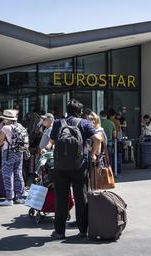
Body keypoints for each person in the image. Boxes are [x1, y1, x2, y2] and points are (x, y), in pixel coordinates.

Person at [44, 99, 101, 239]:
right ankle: (82, 230)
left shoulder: (58, 123)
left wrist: (46, 149)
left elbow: (51, 143)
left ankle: (59, 232)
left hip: (60, 166)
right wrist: (92, 155)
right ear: (80, 112)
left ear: (67, 110)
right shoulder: (84, 123)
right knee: (81, 198)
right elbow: (97, 139)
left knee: (61, 199)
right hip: (79, 166)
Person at [0, 109, 26, 206]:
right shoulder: (20, 126)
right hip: (19, 152)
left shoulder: (6, 128)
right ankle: (20, 197)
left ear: (6, 119)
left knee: (7, 174)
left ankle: (9, 199)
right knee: (18, 173)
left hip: (9, 152)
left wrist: (1, 129)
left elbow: (0, 141)